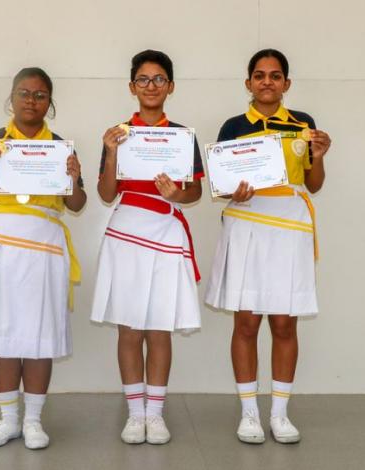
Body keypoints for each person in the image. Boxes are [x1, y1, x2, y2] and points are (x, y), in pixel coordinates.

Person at [0, 67, 86, 450]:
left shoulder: (60, 147)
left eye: (40, 95)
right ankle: (8, 419)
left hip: (44, 248)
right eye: (24, 93)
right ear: (11, 98)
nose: (31, 100)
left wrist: (73, 178)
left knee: (40, 336)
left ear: (50, 103)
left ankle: (33, 421)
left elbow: (77, 204)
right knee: (4, 335)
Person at [205, 49, 331, 444]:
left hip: (289, 228)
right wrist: (234, 192)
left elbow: (314, 184)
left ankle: (279, 414)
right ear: (248, 83)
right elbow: (222, 186)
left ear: (286, 83)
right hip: (247, 225)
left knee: (284, 323)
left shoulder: (303, 124)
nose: (267, 82)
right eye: (259, 75)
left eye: (275, 76)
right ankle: (249, 414)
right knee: (246, 323)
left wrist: (319, 155)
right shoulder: (233, 126)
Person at [91, 50, 203, 445]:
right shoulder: (118, 134)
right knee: (129, 328)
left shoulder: (183, 136)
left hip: (166, 233)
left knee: (159, 327)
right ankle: (134, 412)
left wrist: (177, 194)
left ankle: (154, 414)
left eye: (158, 79)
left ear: (170, 86)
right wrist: (111, 152)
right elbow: (106, 194)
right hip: (126, 233)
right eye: (143, 79)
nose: (150, 86)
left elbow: (195, 191)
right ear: (132, 86)